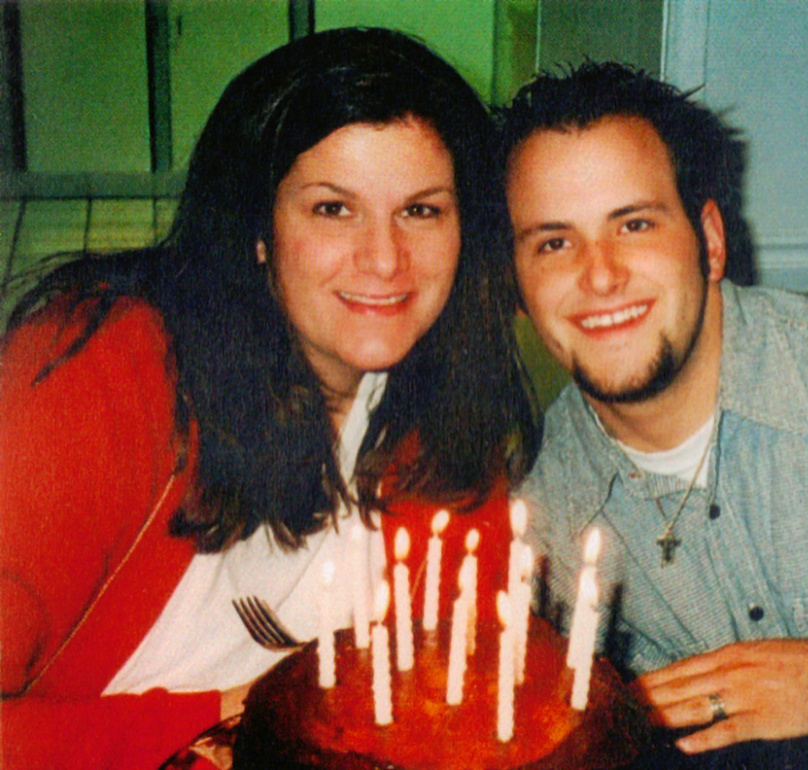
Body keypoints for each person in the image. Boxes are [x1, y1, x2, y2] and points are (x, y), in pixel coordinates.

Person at [0, 28, 538, 769]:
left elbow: (457, 698)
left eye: (420, 210)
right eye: (332, 209)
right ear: (257, 226)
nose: (384, 260)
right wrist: (232, 722)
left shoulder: (448, 407)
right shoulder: (103, 371)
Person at [498, 61, 808, 767]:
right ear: (516, 285)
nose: (599, 274)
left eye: (633, 224)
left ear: (707, 240)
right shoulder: (537, 517)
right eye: (553, 242)